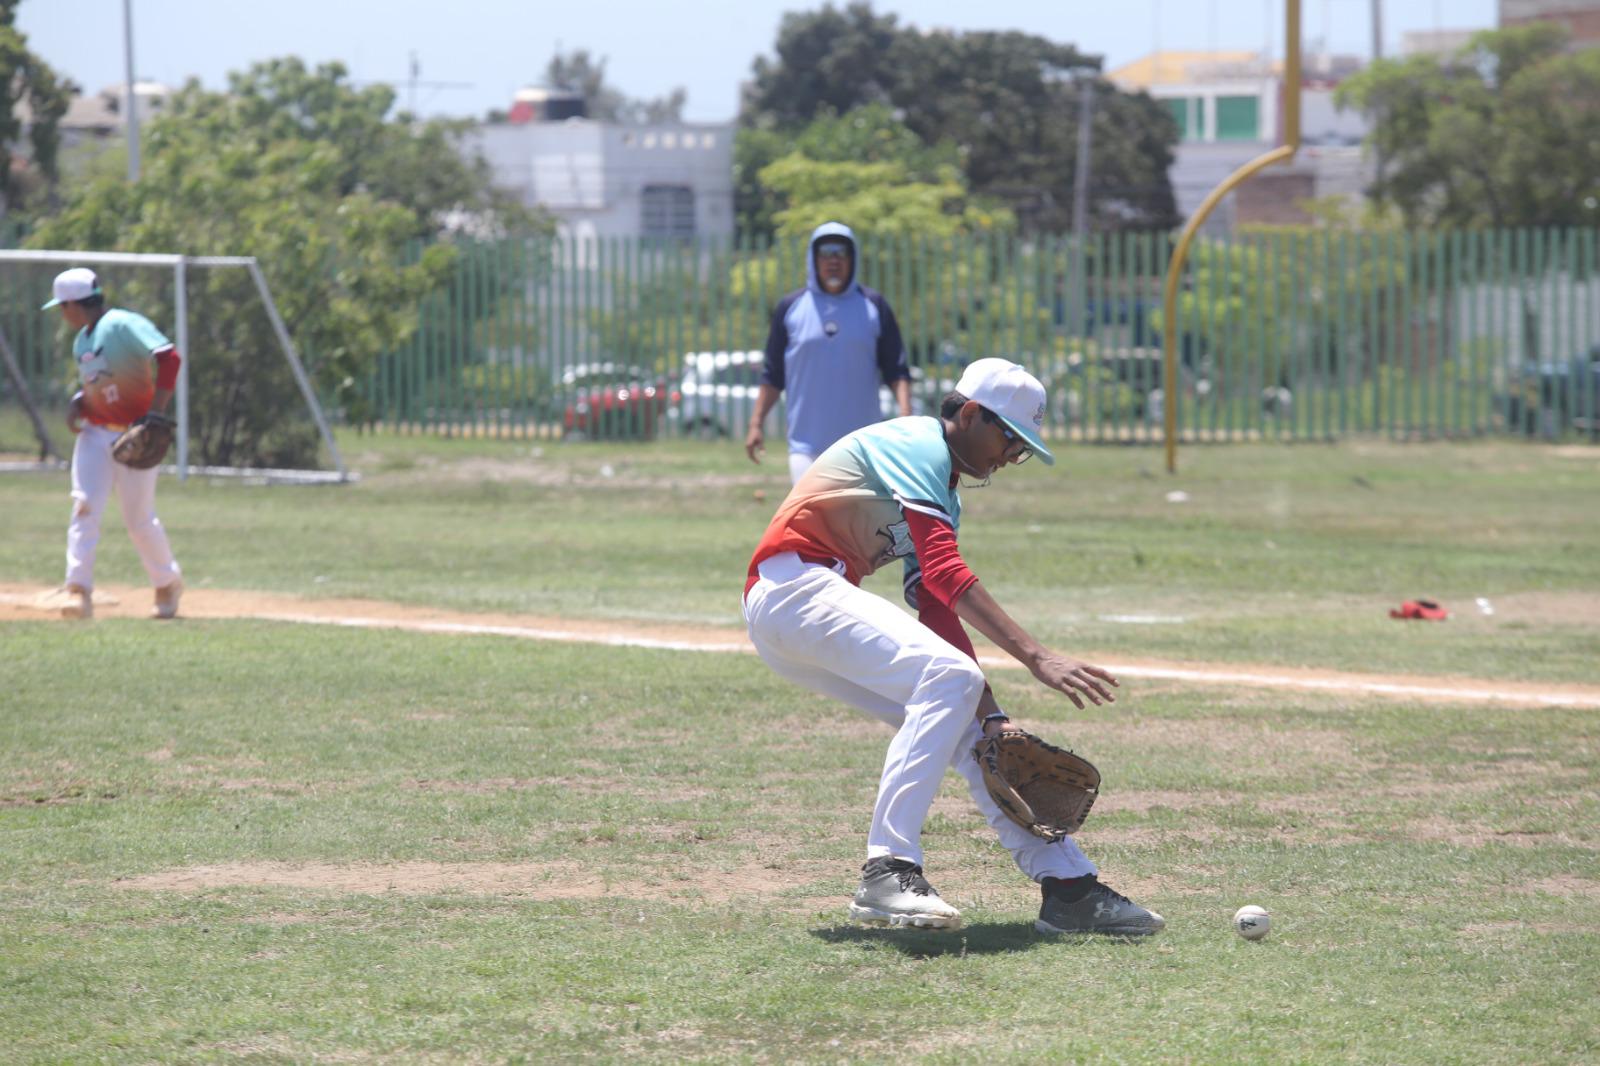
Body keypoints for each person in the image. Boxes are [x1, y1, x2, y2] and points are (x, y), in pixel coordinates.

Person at [742, 357, 1164, 936]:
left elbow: (936, 608)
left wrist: (993, 715)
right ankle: (888, 869)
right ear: (970, 415)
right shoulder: (919, 445)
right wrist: (1036, 656)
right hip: (793, 590)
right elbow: (944, 572)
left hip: (806, 608)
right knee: (951, 682)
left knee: (965, 716)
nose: (1009, 458)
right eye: (1010, 440)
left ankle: (1068, 888)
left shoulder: (945, 490)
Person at [41, 267, 184, 621]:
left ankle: (167, 582)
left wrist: (156, 413)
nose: (62, 314)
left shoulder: (122, 324)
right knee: (84, 507)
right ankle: (78, 591)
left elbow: (170, 358)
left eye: (62, 307)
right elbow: (100, 385)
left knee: (138, 520)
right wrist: (79, 402)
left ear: (74, 304)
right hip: (95, 434)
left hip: (135, 434)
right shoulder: (82, 341)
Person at [745, 221, 913, 483]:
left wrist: (905, 414)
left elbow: (896, 369)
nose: (833, 260)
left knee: (856, 523)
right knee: (812, 520)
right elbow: (773, 374)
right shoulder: (791, 307)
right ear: (813, 258)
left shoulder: (874, 306)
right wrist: (756, 423)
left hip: (863, 446)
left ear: (852, 258)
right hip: (806, 446)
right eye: (825, 252)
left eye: (840, 252)